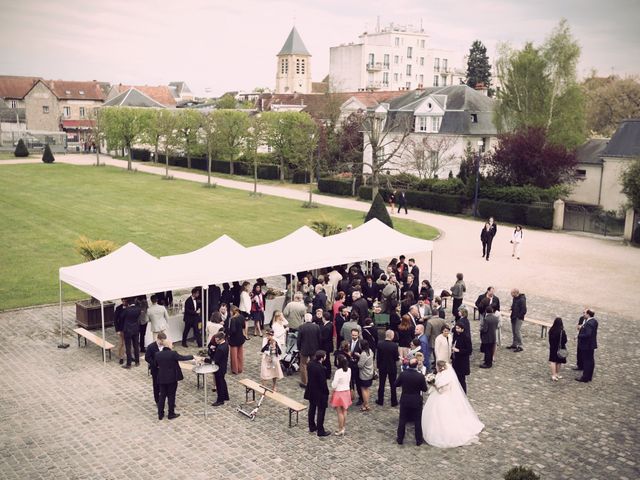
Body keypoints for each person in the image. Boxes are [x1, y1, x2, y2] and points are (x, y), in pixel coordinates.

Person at [422, 361, 484, 448]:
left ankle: (441, 432)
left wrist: (434, 385)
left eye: (436, 367)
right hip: (441, 396)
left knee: (440, 416)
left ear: (440, 368)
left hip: (443, 397)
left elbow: (442, 391)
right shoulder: (443, 373)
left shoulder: (446, 378)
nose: (435, 368)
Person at [155, 339, 194, 420]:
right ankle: (171, 413)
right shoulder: (173, 354)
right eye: (172, 344)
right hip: (172, 378)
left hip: (162, 378)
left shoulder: (157, 354)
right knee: (171, 396)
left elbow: (156, 364)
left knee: (162, 396)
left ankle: (160, 414)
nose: (172, 345)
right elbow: (182, 358)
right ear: (169, 345)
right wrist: (192, 356)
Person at [394, 358, 427, 445]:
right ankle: (418, 440)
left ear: (408, 365)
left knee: (402, 420)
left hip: (405, 399)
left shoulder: (403, 374)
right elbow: (424, 389)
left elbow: (396, 384)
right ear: (416, 365)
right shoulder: (420, 376)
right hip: (416, 400)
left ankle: (400, 439)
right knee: (417, 421)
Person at [304, 350, 331, 437]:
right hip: (319, 392)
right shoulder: (320, 368)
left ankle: (311, 426)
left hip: (311, 389)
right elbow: (323, 382)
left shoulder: (310, 364)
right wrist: (326, 392)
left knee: (312, 408)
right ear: (322, 358)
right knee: (321, 411)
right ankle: (320, 430)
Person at [376, 330, 399, 407]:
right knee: (393, 384)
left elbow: (378, 357)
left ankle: (380, 400)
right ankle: (394, 401)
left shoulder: (380, 344)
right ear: (392, 336)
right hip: (392, 367)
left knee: (381, 384)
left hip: (382, 367)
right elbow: (396, 358)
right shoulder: (394, 346)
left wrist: (378, 366)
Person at [297, 313, 321, 388]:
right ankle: (314, 380)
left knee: (303, 365)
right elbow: (319, 338)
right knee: (314, 364)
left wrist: (299, 348)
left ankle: (305, 382)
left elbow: (299, 340)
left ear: (305, 319)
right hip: (314, 349)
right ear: (311, 319)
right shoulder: (316, 327)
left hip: (304, 349)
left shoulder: (301, 327)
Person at [330, 356, 352, 436]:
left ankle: (340, 428)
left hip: (339, 392)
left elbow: (334, 384)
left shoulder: (338, 372)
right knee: (345, 410)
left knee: (339, 412)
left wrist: (332, 386)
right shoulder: (349, 370)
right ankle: (343, 427)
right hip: (346, 391)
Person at [576, 309, 598, 382]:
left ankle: (585, 377)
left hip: (587, 345)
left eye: (585, 313)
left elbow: (588, 334)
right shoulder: (594, 321)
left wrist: (579, 336)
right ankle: (589, 376)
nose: (583, 314)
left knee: (587, 361)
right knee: (590, 360)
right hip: (591, 344)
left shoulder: (589, 323)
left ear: (588, 314)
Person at [145, 331, 166, 405]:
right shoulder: (151, 346)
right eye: (162, 341)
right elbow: (147, 358)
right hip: (155, 370)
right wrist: (155, 364)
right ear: (158, 339)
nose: (163, 342)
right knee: (156, 386)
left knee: (165, 385)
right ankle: (157, 401)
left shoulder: (165, 346)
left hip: (164, 369)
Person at [451, 322, 472, 394]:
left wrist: (459, 350)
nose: (456, 330)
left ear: (462, 329)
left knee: (461, 379)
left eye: (458, 328)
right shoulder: (456, 335)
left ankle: (463, 393)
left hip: (462, 362)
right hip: (456, 360)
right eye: (456, 328)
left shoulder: (466, 337)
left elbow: (469, 350)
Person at [122, 297, 142, 369]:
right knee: (136, 346)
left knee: (128, 347)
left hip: (128, 330)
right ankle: (137, 362)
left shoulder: (126, 310)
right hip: (136, 329)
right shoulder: (138, 309)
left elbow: (121, 317)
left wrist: (124, 308)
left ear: (128, 303)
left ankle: (129, 364)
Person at [211, 332, 229, 406]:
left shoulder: (221, 348)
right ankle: (225, 396)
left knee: (219, 384)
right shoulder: (225, 344)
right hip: (223, 367)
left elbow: (215, 360)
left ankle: (220, 400)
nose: (216, 341)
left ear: (221, 339)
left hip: (219, 368)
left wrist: (204, 360)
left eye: (217, 340)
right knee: (223, 382)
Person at [548, 317, 568, 381]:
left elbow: (550, 340)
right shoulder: (562, 331)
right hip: (560, 348)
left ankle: (553, 375)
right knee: (559, 361)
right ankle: (557, 374)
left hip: (553, 347)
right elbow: (565, 340)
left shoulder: (551, 330)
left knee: (553, 361)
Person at [507, 289, 527, 353]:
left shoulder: (522, 300)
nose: (511, 295)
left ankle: (520, 346)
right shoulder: (514, 298)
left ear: (516, 293)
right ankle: (514, 344)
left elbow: (524, 310)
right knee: (514, 331)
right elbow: (514, 306)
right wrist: (511, 308)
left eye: (512, 293)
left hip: (518, 318)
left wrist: (519, 316)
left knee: (517, 331)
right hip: (513, 317)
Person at [357, 339, 374, 411]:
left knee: (363, 389)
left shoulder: (363, 354)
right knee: (367, 389)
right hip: (370, 373)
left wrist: (359, 357)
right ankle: (367, 403)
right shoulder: (370, 351)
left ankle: (365, 404)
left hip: (364, 375)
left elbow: (360, 365)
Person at [228, 306, 246, 374]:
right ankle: (240, 368)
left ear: (232, 311)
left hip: (234, 339)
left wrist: (228, 332)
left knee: (234, 355)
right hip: (240, 338)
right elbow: (244, 326)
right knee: (240, 355)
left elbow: (233, 330)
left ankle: (235, 369)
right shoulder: (241, 317)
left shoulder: (233, 319)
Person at [320, 312, 334, 379]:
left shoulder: (327, 327)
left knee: (326, 360)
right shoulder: (329, 324)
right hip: (327, 345)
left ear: (324, 318)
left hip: (326, 346)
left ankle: (327, 374)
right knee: (326, 360)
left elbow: (324, 338)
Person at [114, 298, 127, 364]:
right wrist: (117, 330)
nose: (124, 302)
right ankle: (121, 357)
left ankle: (128, 355)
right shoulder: (118, 308)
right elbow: (115, 320)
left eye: (125, 301)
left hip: (128, 329)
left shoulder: (129, 307)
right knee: (121, 343)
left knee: (128, 343)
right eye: (123, 301)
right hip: (121, 329)